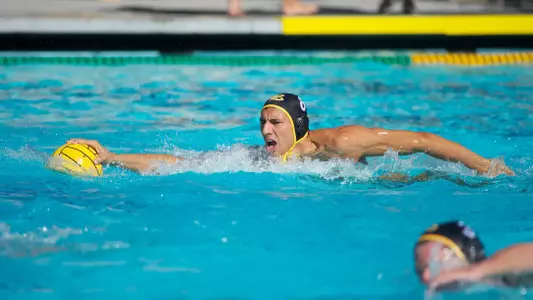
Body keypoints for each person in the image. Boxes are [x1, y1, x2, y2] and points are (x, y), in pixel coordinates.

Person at [65, 93, 514, 176]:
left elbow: (424, 142)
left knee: (427, 175)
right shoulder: (263, 159)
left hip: (386, 186)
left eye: (275, 122)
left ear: (298, 126)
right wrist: (113, 157)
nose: (264, 130)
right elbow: (184, 165)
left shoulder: (342, 141)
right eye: (262, 121)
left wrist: (483, 166)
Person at [414, 221, 533, 292]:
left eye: (437, 264)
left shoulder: (509, 281)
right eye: (420, 269)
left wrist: (476, 271)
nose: (426, 276)